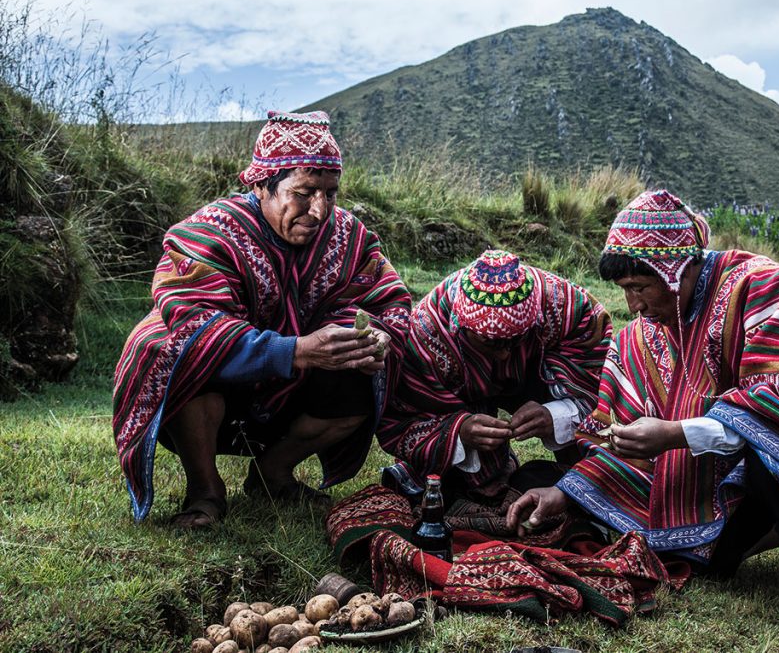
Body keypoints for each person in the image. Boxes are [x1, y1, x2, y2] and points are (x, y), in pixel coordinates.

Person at [507, 190, 779, 633]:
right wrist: (565, 492)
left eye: (639, 288)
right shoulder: (638, 338)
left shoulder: (760, 285)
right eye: (625, 290)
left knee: (776, 444)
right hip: (723, 473)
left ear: (679, 271)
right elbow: (611, 433)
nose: (633, 305)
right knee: (706, 560)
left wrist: (676, 434)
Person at [113, 110, 411, 528]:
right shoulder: (207, 233)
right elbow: (194, 323)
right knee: (169, 347)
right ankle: (204, 489)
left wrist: (371, 338)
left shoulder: (350, 237)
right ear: (261, 186)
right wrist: (296, 351)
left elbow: (389, 303)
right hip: (225, 389)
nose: (320, 209)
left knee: (369, 370)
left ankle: (273, 472)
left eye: (331, 192)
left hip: (293, 395)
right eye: (304, 192)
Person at [378, 250, 612, 499]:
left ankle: (585, 488)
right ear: (458, 326)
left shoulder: (564, 307)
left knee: (586, 467)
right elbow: (403, 417)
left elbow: (599, 385)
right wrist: (459, 431)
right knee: (453, 487)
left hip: (539, 362)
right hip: (458, 380)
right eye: (490, 343)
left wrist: (556, 414)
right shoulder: (428, 334)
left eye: (515, 340)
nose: (503, 355)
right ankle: (478, 477)